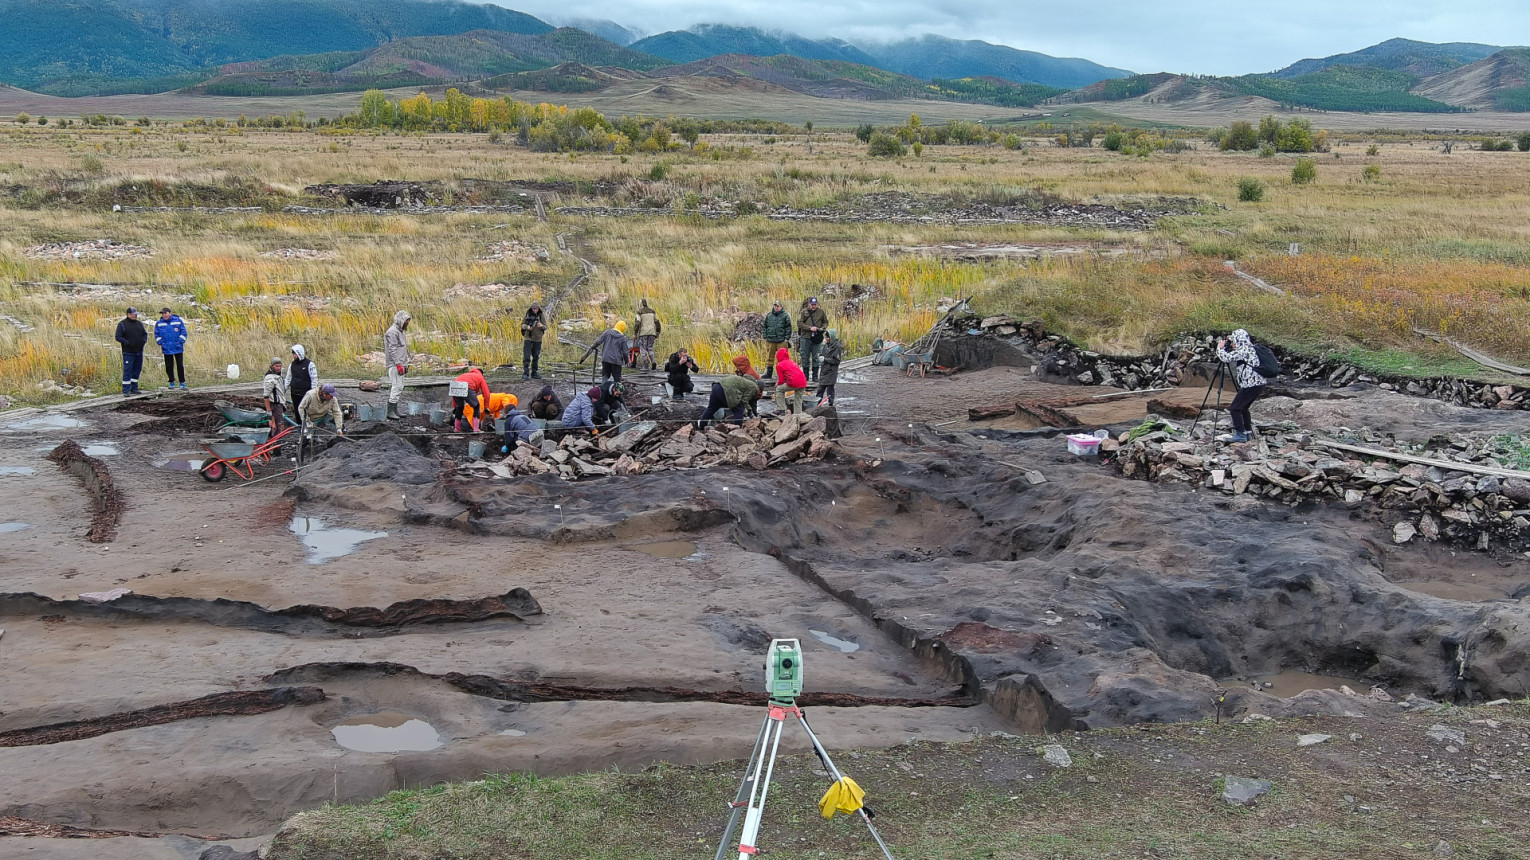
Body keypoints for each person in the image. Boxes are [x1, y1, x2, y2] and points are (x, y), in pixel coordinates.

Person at [1215, 329, 1269, 444]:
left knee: (1235, 408)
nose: (1232, 343)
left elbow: (1226, 358)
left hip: (1251, 385)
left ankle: (1240, 434)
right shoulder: (1251, 348)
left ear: (1238, 340)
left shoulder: (1244, 350)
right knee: (1243, 408)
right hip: (1258, 384)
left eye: (1233, 340)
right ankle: (1248, 432)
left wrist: (1220, 348)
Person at [698, 372, 763, 430]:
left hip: (717, 385)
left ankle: (701, 426)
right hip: (726, 390)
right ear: (759, 387)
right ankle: (737, 431)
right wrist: (750, 412)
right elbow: (744, 400)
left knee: (711, 408)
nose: (758, 393)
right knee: (739, 410)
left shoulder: (746, 381)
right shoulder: (754, 386)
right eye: (760, 391)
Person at [113, 306, 147, 395]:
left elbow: (145, 334)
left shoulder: (139, 324)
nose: (135, 316)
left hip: (139, 351)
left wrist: (143, 341)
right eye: (133, 314)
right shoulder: (122, 324)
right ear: (128, 314)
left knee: (137, 370)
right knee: (128, 370)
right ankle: (126, 390)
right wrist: (127, 342)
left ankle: (134, 388)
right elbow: (118, 337)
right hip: (128, 352)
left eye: (136, 314)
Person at [384, 311, 410, 420]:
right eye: (406, 321)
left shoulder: (400, 331)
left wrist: (405, 363)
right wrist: (398, 364)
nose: (407, 323)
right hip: (395, 364)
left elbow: (402, 349)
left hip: (400, 363)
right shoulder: (392, 332)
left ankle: (395, 410)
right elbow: (392, 349)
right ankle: (390, 411)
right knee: (396, 386)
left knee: (400, 386)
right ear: (400, 320)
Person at [154, 306, 188, 390]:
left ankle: (182, 382)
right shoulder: (159, 323)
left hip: (177, 347)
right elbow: (156, 334)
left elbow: (183, 332)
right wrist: (161, 342)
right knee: (169, 366)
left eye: (165, 313)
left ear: (170, 313)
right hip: (167, 348)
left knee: (180, 365)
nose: (164, 315)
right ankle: (171, 382)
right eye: (162, 313)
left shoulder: (178, 321)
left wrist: (180, 341)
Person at [797, 296, 829, 382]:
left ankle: (815, 376)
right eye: (812, 304)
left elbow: (825, 322)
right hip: (805, 337)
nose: (813, 306)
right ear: (809, 304)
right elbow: (799, 323)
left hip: (817, 337)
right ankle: (805, 376)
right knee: (805, 356)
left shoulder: (821, 312)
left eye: (815, 304)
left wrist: (822, 328)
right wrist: (809, 328)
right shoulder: (804, 312)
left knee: (816, 356)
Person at [452, 365, 491, 432]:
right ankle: (476, 428)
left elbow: (454, 390)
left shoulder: (465, 375)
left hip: (455, 385)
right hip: (468, 387)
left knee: (460, 407)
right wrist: (486, 407)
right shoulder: (480, 377)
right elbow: (486, 393)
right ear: (482, 373)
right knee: (476, 406)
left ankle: (456, 429)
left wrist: (455, 406)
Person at [761, 300, 793, 380]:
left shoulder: (785, 316)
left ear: (781, 307)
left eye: (778, 306)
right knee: (769, 357)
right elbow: (764, 326)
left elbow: (788, 327)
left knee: (783, 358)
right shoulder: (769, 315)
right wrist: (765, 336)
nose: (776, 307)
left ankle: (784, 374)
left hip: (781, 340)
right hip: (770, 340)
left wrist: (786, 338)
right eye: (775, 306)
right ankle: (769, 373)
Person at [773, 347, 809, 415]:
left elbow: (781, 380)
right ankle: (798, 414)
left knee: (779, 389)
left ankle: (781, 409)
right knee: (798, 398)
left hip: (793, 382)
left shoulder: (779, 365)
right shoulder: (791, 362)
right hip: (803, 382)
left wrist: (777, 384)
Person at [816, 329, 844, 407]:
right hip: (824, 370)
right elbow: (824, 354)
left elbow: (836, 361)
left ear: (831, 337)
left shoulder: (837, 347)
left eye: (828, 337)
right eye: (826, 337)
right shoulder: (826, 345)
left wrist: (825, 359)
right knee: (820, 389)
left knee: (830, 389)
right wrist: (820, 355)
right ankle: (817, 404)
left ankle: (830, 405)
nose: (826, 339)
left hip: (831, 371)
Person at [286, 344, 316, 415]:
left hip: (305, 393)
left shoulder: (310, 364)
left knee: (306, 411)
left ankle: (307, 425)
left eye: (295, 353)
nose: (294, 355)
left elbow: (314, 379)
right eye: (293, 353)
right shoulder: (292, 365)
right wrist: (284, 389)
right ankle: (298, 425)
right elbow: (288, 378)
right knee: (297, 411)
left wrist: (313, 392)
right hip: (294, 392)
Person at [520, 303, 547, 380]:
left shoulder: (541, 315)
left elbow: (545, 326)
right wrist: (527, 327)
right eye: (533, 308)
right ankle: (525, 374)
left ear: (538, 309)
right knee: (526, 357)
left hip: (537, 339)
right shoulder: (528, 314)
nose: (534, 310)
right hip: (528, 338)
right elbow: (522, 325)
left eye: (536, 308)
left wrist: (541, 326)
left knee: (536, 356)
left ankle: (534, 373)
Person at [632, 299, 661, 369]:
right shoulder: (653, 312)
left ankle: (646, 363)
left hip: (643, 333)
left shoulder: (639, 312)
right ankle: (653, 362)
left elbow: (637, 323)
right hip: (652, 333)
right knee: (650, 348)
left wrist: (635, 333)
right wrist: (657, 332)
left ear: (640, 305)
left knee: (643, 349)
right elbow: (657, 322)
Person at [262, 357, 287, 435]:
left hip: (280, 404)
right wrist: (269, 410)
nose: (279, 368)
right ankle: (276, 442)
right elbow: (266, 396)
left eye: (280, 366)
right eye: (277, 366)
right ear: (272, 366)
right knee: (277, 426)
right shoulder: (269, 378)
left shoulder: (278, 375)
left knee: (279, 424)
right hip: (275, 405)